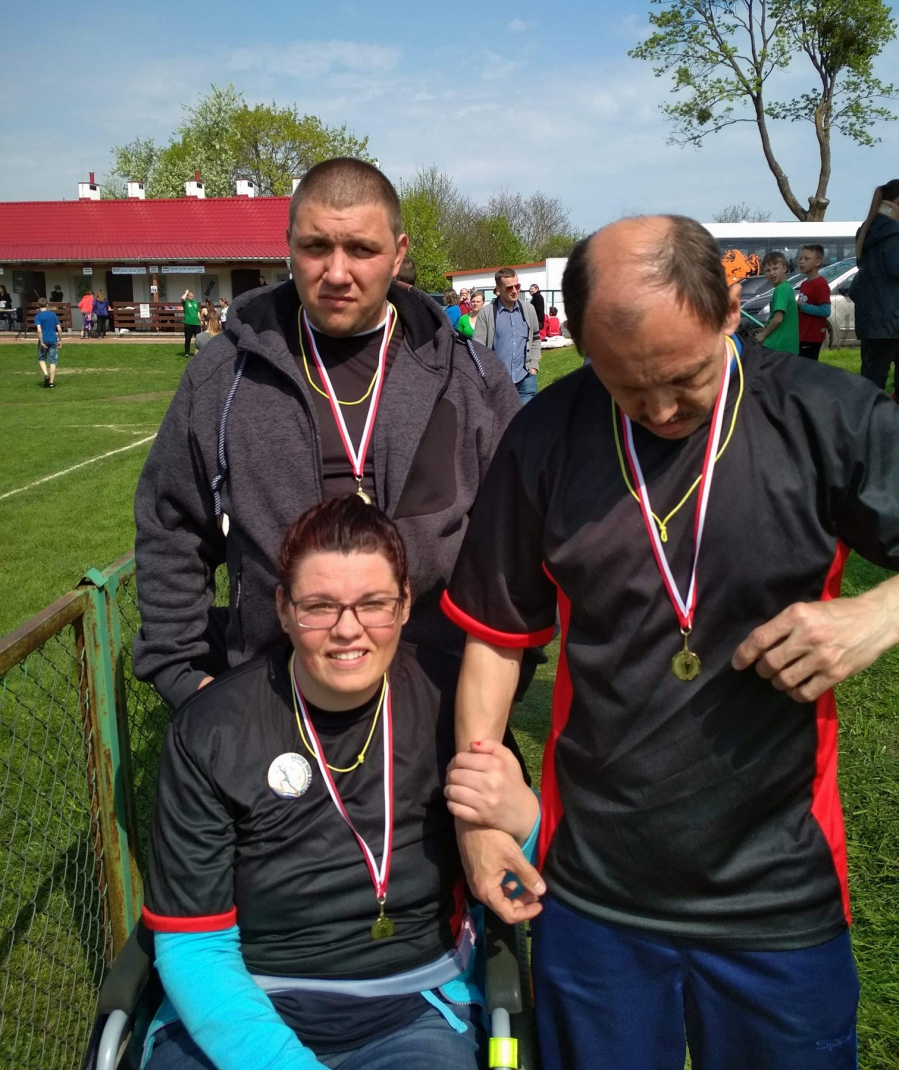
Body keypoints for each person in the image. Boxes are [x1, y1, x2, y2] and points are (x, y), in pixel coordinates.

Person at [442, 214, 899, 1070]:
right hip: (592, 891)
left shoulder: (825, 415)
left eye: (684, 379)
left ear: (728, 311)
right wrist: (478, 823)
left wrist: (879, 614)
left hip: (778, 892)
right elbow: (496, 640)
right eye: (624, 385)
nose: (657, 410)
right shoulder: (544, 436)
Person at [141, 496, 538, 1070]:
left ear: (405, 604)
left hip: (414, 1008)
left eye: (373, 604)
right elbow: (194, 944)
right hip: (245, 1001)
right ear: (283, 609)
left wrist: (527, 822)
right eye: (320, 607)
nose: (348, 630)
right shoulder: (211, 728)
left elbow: (521, 881)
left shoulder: (456, 702)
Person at [134, 157, 519, 708]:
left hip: (440, 701)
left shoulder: (470, 377)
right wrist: (180, 673)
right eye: (316, 247)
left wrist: (499, 685)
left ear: (399, 253)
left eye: (362, 249)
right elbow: (171, 525)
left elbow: (516, 542)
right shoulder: (225, 375)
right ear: (289, 245)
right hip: (273, 700)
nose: (337, 273)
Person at [850, 178, 899, 392]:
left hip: (871, 317)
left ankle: (867, 410)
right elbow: (895, 268)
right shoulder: (894, 232)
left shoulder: (867, 229)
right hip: (891, 318)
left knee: (872, 374)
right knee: (878, 373)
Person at [472, 268, 541, 403]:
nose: (515, 291)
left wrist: (533, 367)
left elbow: (536, 339)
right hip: (497, 382)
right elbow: (478, 348)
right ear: (498, 289)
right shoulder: (487, 313)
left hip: (525, 380)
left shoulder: (528, 310)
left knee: (525, 416)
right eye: (509, 288)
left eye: (517, 286)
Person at [754, 250, 799, 353]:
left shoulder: (781, 289)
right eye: (767, 270)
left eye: (775, 268)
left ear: (784, 268)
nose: (771, 273)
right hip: (788, 345)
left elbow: (778, 319)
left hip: (777, 345)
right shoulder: (787, 287)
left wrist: (763, 335)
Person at [797, 244, 831, 360]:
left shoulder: (821, 284)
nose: (802, 261)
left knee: (807, 366)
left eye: (806, 259)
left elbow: (825, 311)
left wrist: (802, 306)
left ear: (817, 262)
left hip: (812, 336)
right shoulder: (804, 284)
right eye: (801, 258)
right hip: (802, 334)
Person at [34, 297, 62, 387]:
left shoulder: (38, 316)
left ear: (38, 306)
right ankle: (51, 383)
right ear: (47, 305)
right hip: (53, 339)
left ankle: (46, 374)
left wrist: (41, 342)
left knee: (41, 358)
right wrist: (60, 340)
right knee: (53, 361)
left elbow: (39, 330)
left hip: (44, 339)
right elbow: (59, 329)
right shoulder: (53, 315)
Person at [181, 290, 201, 357]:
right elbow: (182, 298)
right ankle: (187, 352)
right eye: (191, 296)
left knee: (198, 339)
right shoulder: (186, 302)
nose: (192, 297)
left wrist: (200, 320)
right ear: (188, 296)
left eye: (193, 296)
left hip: (196, 323)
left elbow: (197, 312)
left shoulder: (195, 302)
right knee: (188, 338)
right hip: (188, 323)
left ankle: (199, 352)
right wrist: (186, 292)